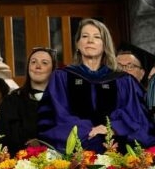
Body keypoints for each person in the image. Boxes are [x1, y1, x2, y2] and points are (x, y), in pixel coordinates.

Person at [38, 19, 155, 151]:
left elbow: (136, 116)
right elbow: (57, 114)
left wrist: (112, 128)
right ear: (77, 44)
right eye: (85, 36)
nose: (90, 41)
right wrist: (87, 130)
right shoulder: (61, 77)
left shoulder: (123, 81)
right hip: (76, 148)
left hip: (116, 151)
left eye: (97, 37)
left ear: (105, 45)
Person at [0, 47, 56, 155]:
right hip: (19, 162)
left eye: (45, 63)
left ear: (53, 69)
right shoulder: (12, 100)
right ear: (28, 67)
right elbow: (4, 136)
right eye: (33, 62)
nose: (38, 66)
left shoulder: (61, 100)